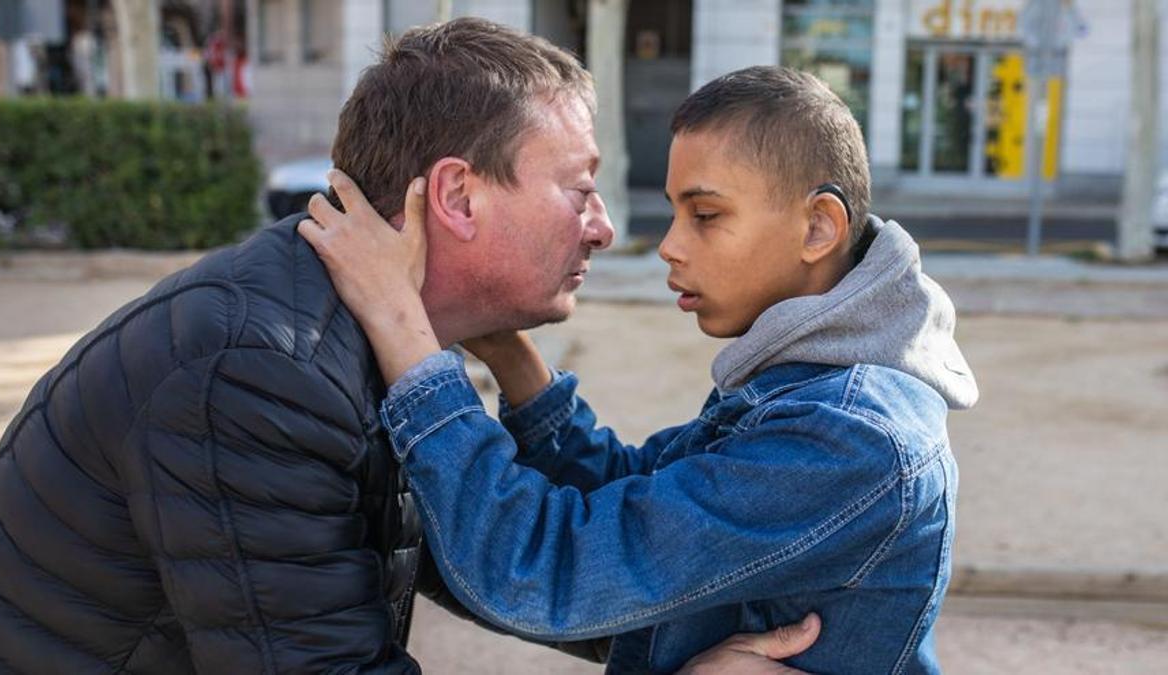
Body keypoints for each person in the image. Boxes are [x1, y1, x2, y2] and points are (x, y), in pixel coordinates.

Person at [0, 19, 812, 673]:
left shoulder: (364, 336)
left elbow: (526, 555)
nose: (604, 227)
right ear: (458, 195)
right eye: (580, 189)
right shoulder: (256, 370)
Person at [300, 65, 979, 673]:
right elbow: (631, 496)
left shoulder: (846, 435)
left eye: (706, 215)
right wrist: (506, 349)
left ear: (818, 228)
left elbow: (547, 569)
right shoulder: (810, 387)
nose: (670, 246)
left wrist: (403, 332)